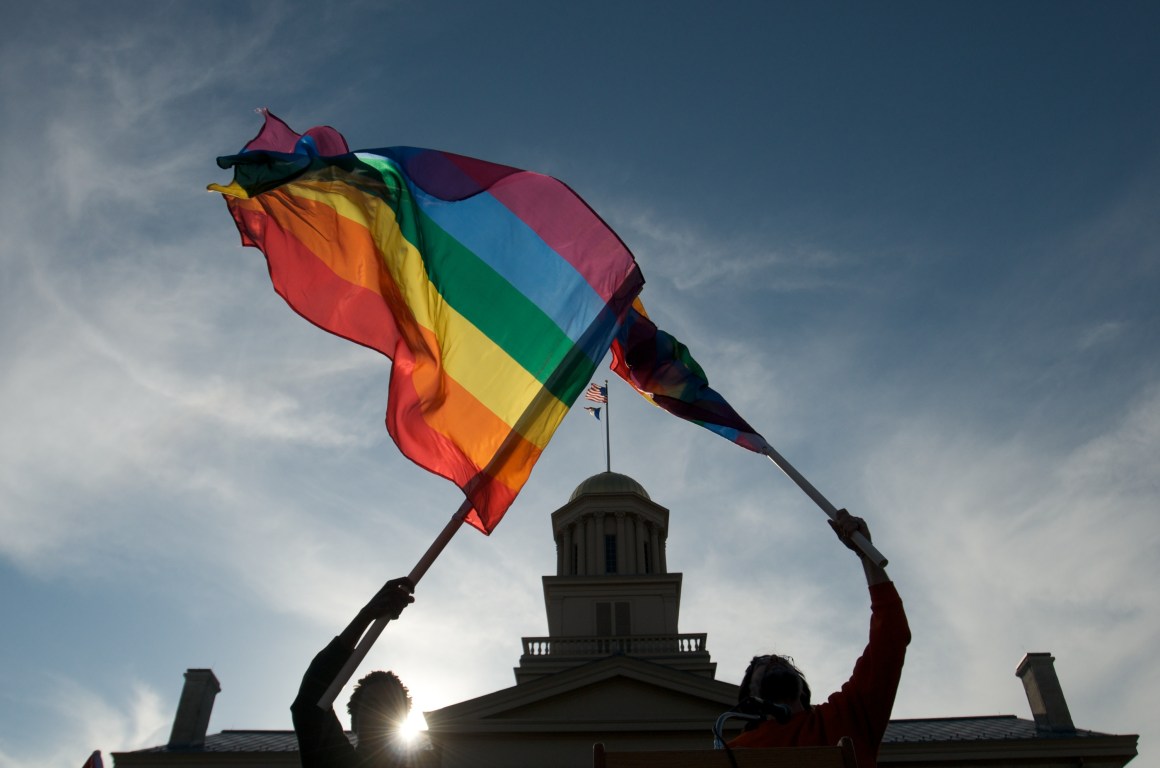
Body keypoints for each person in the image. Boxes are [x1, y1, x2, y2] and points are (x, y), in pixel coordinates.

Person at [728, 509, 910, 768]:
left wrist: (865, 552)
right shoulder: (734, 753)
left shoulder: (845, 717)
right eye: (763, 663)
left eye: (784, 661)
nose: (776, 659)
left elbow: (891, 634)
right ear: (750, 697)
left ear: (803, 690)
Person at [292, 577, 417, 768]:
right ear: (354, 722)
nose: (382, 714)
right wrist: (365, 616)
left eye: (391, 705)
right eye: (373, 705)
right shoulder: (338, 763)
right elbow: (311, 704)